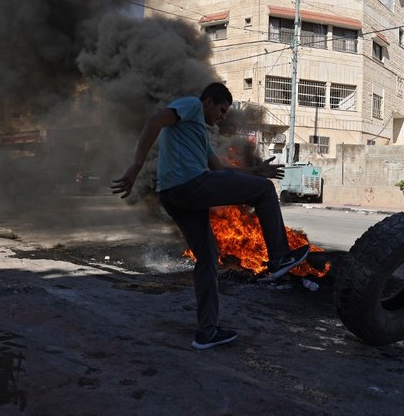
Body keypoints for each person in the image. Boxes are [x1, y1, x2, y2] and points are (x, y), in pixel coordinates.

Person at [111, 82, 309, 350]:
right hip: (189, 186)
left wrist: (256, 171)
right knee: (263, 192)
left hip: (173, 195)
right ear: (208, 102)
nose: (222, 117)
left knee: (207, 259)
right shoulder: (191, 104)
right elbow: (155, 120)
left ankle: (206, 332)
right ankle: (279, 258)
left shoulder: (198, 136)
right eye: (222, 110)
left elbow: (222, 171)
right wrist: (136, 166)